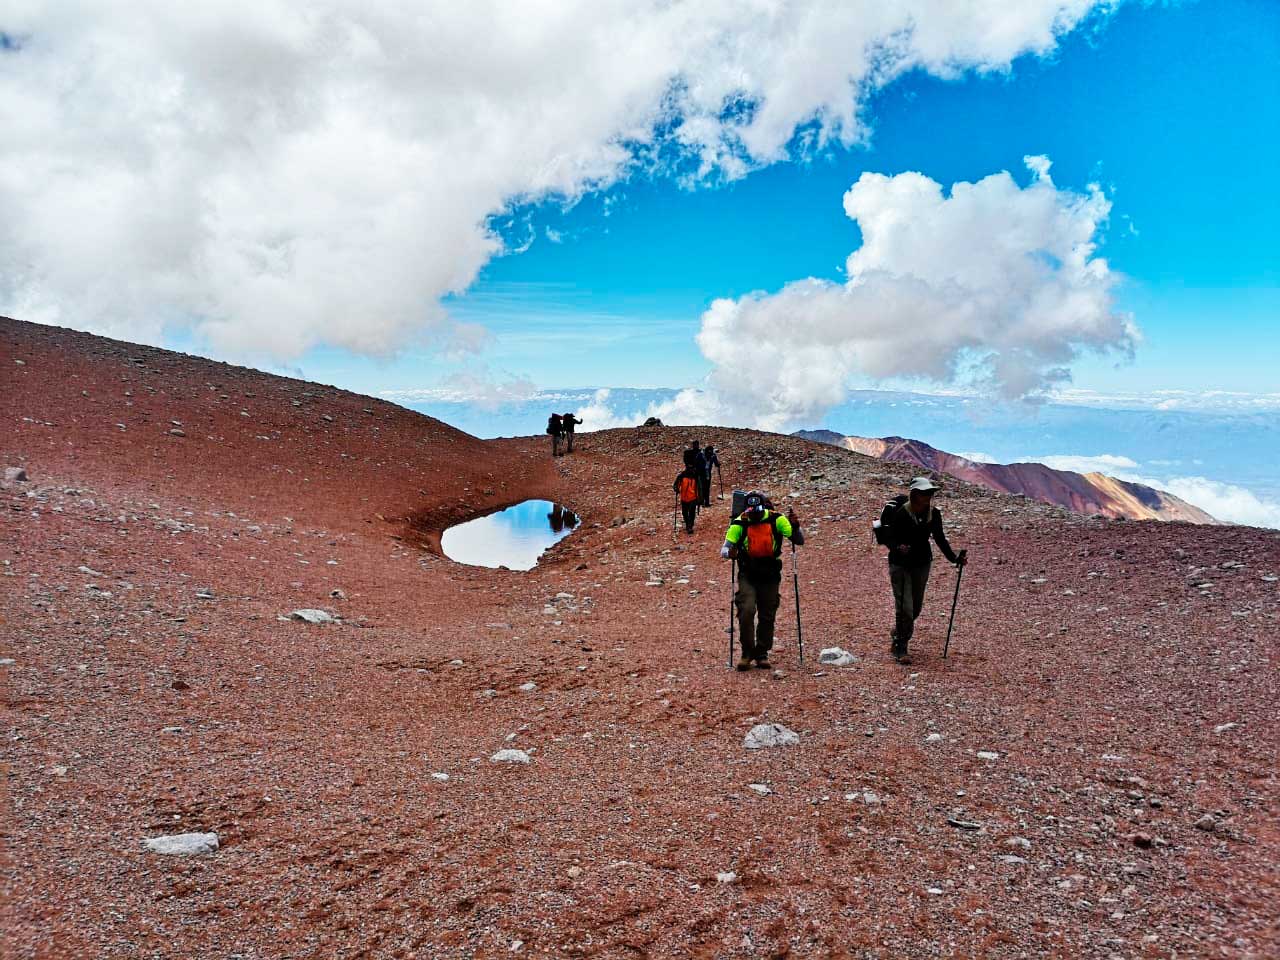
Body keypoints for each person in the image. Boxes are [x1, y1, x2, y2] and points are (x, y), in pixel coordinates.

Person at [881, 477, 967, 665]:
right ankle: (900, 647)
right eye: (924, 493)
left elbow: (939, 538)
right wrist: (897, 548)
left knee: (915, 607)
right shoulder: (900, 513)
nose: (928, 496)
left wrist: (954, 558)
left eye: (930, 493)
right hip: (900, 564)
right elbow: (889, 536)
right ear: (914, 494)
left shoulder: (933, 514)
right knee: (905, 607)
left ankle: (899, 631)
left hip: (922, 563)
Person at [720, 491, 804, 670]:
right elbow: (724, 550)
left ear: (763, 508)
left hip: (770, 573)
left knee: (767, 613)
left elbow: (798, 540)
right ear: (747, 510)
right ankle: (747, 652)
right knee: (746, 609)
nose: (755, 516)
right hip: (748, 573)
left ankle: (761, 652)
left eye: (757, 512)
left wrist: (796, 527)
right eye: (752, 512)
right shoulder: (740, 523)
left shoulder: (777, 520)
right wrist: (731, 553)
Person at [673, 463, 701, 535]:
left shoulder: (695, 476)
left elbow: (699, 488)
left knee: (691, 512)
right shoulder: (682, 476)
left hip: (693, 498)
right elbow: (676, 484)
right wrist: (676, 488)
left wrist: (699, 498)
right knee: (685, 513)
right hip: (684, 498)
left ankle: (689, 526)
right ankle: (688, 525)